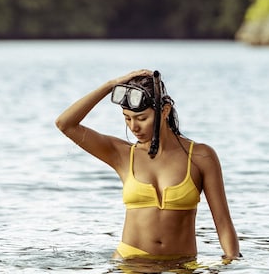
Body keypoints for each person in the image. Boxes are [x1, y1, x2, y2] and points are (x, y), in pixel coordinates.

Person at [55, 69, 240, 261]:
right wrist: (110, 85)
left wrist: (231, 262)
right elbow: (65, 123)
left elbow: (223, 223)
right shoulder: (122, 154)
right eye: (127, 118)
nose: (134, 127)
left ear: (165, 111)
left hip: (182, 267)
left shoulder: (201, 156)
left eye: (142, 118)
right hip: (130, 263)